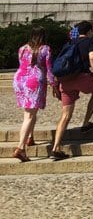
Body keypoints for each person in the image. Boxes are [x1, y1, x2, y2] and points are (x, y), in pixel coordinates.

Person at [50, 21, 93, 160]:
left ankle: (56, 147)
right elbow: (92, 57)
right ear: (90, 31)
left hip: (65, 81)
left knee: (65, 116)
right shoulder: (90, 41)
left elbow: (59, 62)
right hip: (81, 78)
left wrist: (55, 84)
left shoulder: (70, 43)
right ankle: (86, 122)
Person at [12, 26, 54, 162]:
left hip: (19, 79)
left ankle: (30, 137)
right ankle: (20, 148)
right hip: (34, 80)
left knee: (29, 112)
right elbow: (49, 69)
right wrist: (54, 85)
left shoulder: (22, 48)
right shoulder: (45, 49)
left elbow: (22, 64)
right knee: (29, 115)